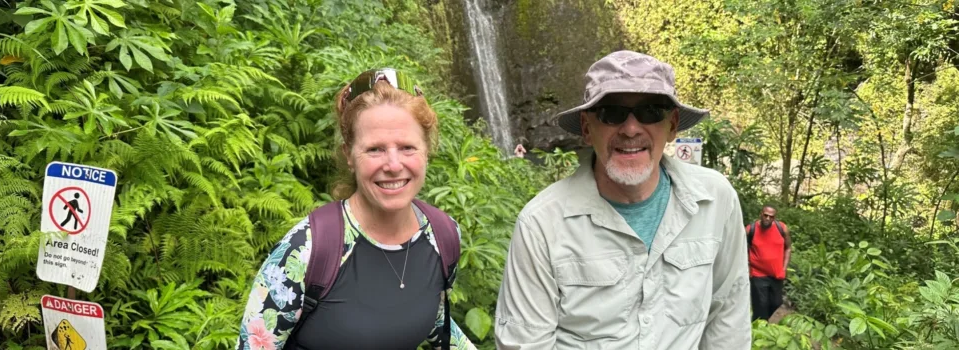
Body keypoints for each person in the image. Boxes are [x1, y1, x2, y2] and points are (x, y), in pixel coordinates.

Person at [494, 51, 751, 349]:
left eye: (651, 111)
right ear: (588, 129)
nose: (630, 129)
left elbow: (728, 317)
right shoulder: (541, 224)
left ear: (672, 125)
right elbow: (526, 344)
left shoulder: (716, 200)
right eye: (612, 113)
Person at [237, 68, 475, 350]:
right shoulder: (305, 252)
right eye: (375, 149)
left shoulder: (443, 236)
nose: (394, 165)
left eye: (408, 147)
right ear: (349, 155)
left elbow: (436, 321)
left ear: (427, 151)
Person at [747, 205, 792, 321]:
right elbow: (739, 247)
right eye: (765, 215)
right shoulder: (750, 229)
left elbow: (788, 248)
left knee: (777, 302)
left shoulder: (782, 228)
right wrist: (746, 266)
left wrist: (784, 268)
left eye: (771, 217)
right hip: (758, 274)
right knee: (760, 305)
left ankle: (758, 322)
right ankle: (759, 329)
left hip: (777, 274)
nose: (767, 218)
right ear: (761, 214)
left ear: (774, 218)